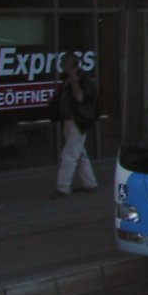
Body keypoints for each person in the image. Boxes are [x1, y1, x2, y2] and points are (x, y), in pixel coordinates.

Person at [50, 53, 99, 198]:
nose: (62, 66)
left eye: (64, 64)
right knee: (79, 152)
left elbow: (79, 97)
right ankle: (90, 183)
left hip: (78, 120)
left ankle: (63, 187)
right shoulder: (67, 79)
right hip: (70, 119)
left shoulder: (81, 79)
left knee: (69, 154)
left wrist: (73, 79)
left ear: (72, 66)